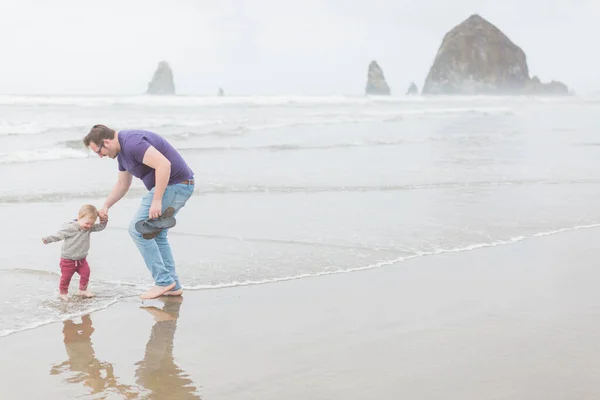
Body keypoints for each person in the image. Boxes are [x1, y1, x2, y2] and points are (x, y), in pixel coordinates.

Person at [83, 125, 195, 300]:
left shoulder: (132, 143)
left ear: (106, 142)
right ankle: (173, 285)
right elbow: (122, 184)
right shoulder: (122, 153)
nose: (100, 156)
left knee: (138, 230)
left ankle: (164, 281)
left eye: (99, 151)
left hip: (176, 186)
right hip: (177, 186)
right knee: (156, 235)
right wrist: (106, 206)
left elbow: (164, 165)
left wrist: (157, 200)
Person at [43, 204, 108, 301]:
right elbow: (59, 235)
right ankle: (63, 293)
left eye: (91, 224)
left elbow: (100, 227)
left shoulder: (89, 228)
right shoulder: (70, 228)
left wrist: (104, 221)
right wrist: (48, 239)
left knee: (86, 273)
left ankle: (83, 290)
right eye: (87, 223)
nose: (89, 226)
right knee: (66, 277)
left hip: (81, 259)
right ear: (79, 217)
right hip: (68, 260)